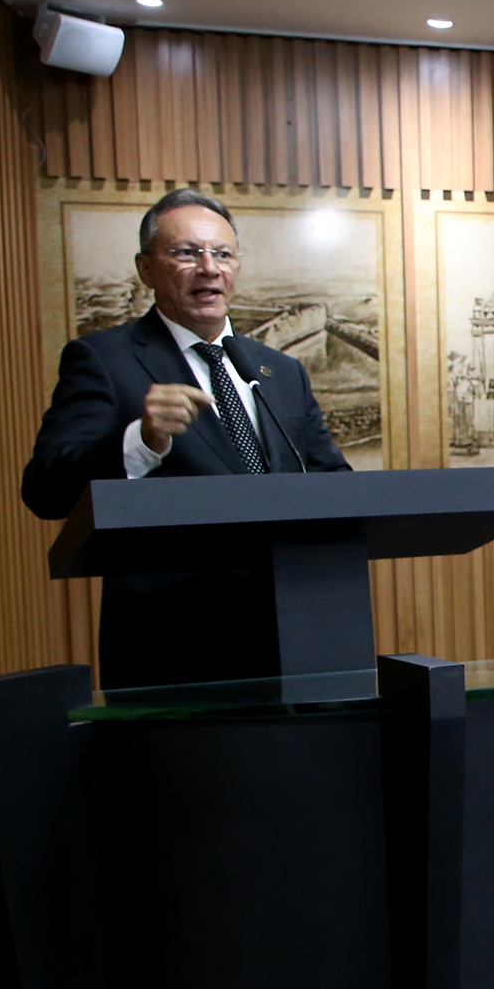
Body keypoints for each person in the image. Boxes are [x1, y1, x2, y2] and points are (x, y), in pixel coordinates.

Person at [21, 189, 352, 689]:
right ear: (146, 269)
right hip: (173, 650)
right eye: (186, 253)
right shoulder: (103, 359)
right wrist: (140, 441)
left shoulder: (280, 371)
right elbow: (46, 488)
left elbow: (334, 483)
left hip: (301, 633)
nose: (209, 268)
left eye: (223, 254)